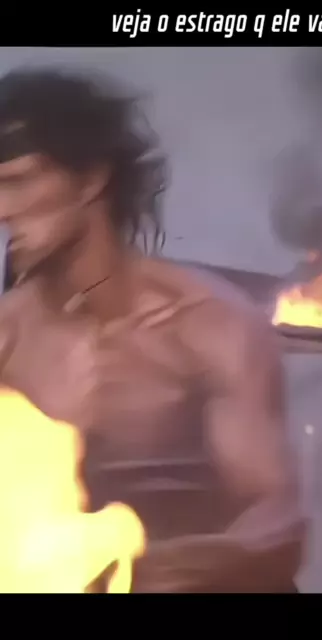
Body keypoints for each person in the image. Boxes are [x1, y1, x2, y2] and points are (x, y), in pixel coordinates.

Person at [0, 68, 305, 592]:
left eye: (19, 182)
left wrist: (163, 568)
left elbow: (277, 516)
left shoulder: (209, 326)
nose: (3, 210)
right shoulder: (9, 337)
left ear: (91, 181)